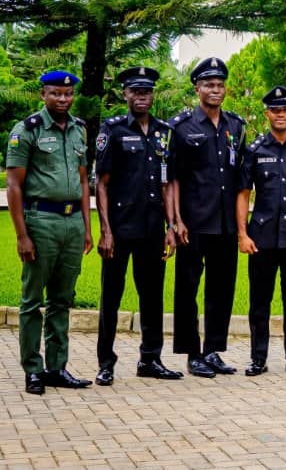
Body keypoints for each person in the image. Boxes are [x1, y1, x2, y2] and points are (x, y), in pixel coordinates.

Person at [6, 70, 94, 395]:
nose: (63, 99)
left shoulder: (79, 129)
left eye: (68, 94)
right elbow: (14, 185)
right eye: (56, 93)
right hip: (40, 221)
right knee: (32, 300)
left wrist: (86, 226)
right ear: (43, 94)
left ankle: (57, 367)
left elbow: (84, 180)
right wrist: (21, 234)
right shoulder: (26, 130)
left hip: (72, 224)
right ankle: (33, 369)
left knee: (62, 300)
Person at [94, 66, 183, 386]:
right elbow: (101, 184)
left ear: (152, 94)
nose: (142, 96)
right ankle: (106, 362)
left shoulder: (163, 131)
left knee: (152, 297)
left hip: (151, 228)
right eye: (136, 91)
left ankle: (150, 359)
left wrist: (172, 225)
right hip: (119, 229)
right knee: (111, 298)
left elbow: (168, 183)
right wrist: (105, 230)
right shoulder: (113, 130)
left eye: (147, 91)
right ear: (125, 94)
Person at [169, 56, 247, 378]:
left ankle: (213, 350)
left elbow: (240, 174)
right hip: (194, 221)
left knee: (221, 288)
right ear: (197, 88)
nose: (215, 90)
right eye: (209, 85)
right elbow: (171, 178)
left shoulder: (236, 125)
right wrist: (175, 221)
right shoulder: (181, 126)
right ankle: (192, 353)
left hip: (226, 223)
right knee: (187, 289)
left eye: (220, 84)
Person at [237, 86, 286, 377]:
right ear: (267, 113)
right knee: (260, 301)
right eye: (275, 110)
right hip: (262, 238)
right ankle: (258, 358)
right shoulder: (256, 150)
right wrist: (242, 234)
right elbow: (244, 194)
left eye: (285, 109)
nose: (280, 114)